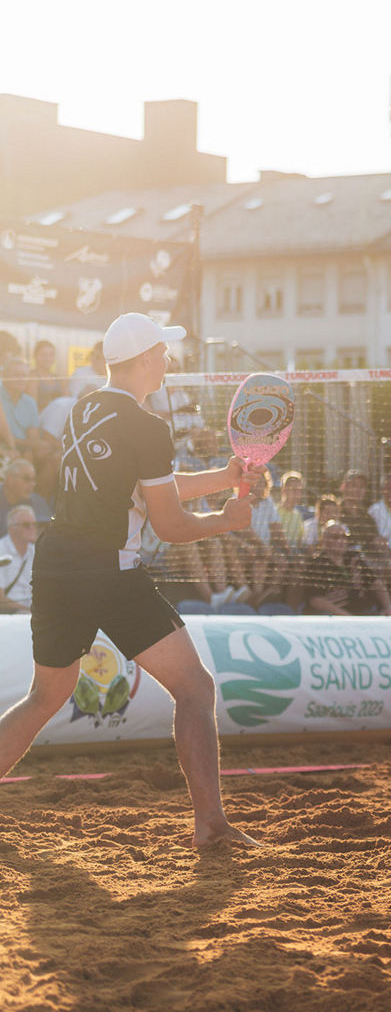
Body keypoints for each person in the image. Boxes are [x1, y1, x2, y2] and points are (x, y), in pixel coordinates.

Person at [0, 312, 263, 847]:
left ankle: (212, 825)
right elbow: (166, 521)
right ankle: (211, 826)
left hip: (58, 565)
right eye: (163, 352)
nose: (168, 359)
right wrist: (225, 521)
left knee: (45, 696)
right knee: (195, 687)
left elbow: (145, 488)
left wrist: (222, 477)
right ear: (144, 360)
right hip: (108, 570)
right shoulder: (146, 426)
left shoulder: (83, 408)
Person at [302, 520, 391, 616]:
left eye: (344, 537)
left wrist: (389, 607)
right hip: (334, 617)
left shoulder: (354, 558)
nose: (341, 540)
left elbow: (376, 583)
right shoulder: (316, 564)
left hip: (363, 611)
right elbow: (316, 600)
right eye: (335, 537)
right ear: (324, 541)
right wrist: (347, 617)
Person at [0, 504, 39, 612]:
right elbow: (1, 599)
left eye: (34, 524)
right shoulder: (1, 551)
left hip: (32, 615)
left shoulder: (36, 552)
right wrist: (27, 611)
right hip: (8, 617)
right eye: (26, 525)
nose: (32, 528)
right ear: (12, 529)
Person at [0, 357, 40, 455]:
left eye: (24, 375)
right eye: (16, 375)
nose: (21, 378)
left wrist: (27, 450)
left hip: (24, 449)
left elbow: (33, 436)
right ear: (5, 376)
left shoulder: (30, 402)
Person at [0, 458, 52, 522]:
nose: (32, 484)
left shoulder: (38, 502)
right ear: (9, 480)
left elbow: (50, 528)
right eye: (27, 479)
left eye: (34, 480)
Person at [31, 340, 65, 411]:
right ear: (35, 356)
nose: (48, 358)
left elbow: (67, 401)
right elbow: (32, 407)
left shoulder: (58, 378)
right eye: (43, 355)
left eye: (51, 355)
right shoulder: (33, 377)